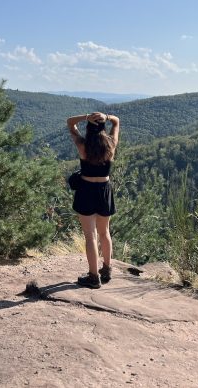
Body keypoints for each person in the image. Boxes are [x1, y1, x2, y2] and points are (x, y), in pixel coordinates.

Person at [66, 111, 120, 289]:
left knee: (90, 236)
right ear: (103, 127)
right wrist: (108, 116)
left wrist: (85, 116)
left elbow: (70, 123)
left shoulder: (83, 145)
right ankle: (107, 269)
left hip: (86, 190)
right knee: (105, 233)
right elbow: (116, 122)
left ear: (88, 128)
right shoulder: (111, 145)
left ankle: (93, 277)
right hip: (104, 190)